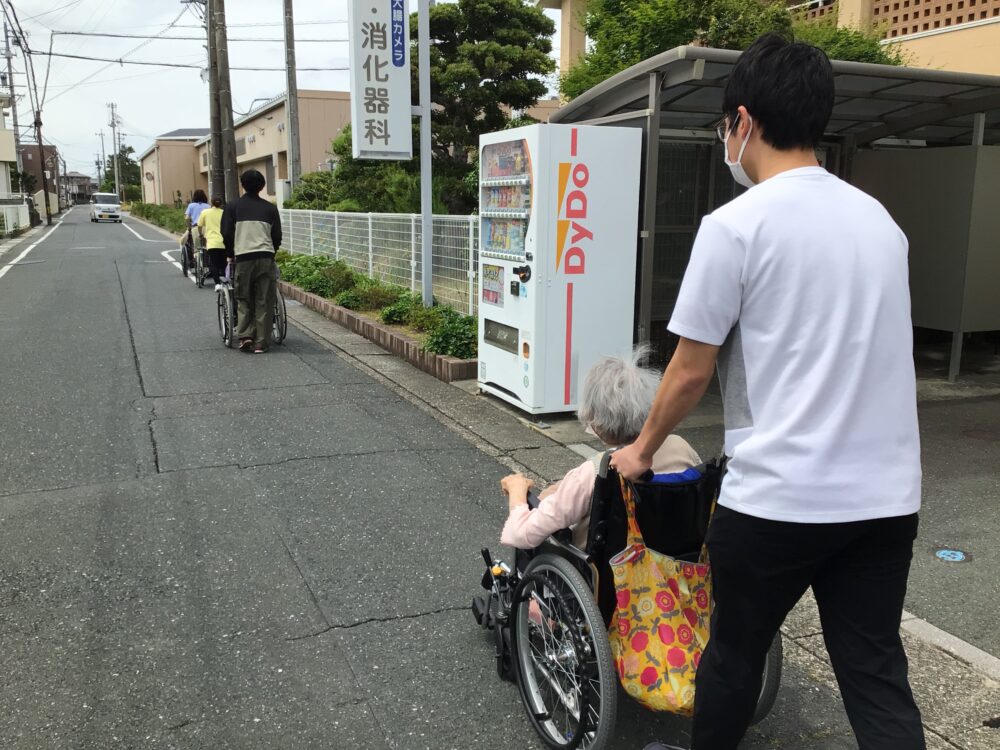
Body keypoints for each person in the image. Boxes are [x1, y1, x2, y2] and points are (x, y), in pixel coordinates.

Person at [613, 34, 926, 750]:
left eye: (726, 126)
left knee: (733, 655)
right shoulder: (881, 224)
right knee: (875, 676)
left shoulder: (736, 226)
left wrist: (641, 449)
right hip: (884, 501)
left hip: (779, 500)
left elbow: (690, 371)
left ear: (743, 121)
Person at [500, 348, 700, 551]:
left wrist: (517, 489)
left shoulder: (595, 472)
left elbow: (521, 534)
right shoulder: (681, 447)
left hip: (612, 573)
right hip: (676, 562)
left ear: (596, 423)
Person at [221, 169, 282, 354]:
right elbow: (277, 235)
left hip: (244, 258)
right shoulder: (270, 208)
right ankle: (261, 342)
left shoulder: (232, 207)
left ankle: (245, 335)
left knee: (244, 297)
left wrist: (231, 253)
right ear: (262, 186)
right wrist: (272, 252)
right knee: (264, 299)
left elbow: (226, 233)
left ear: (242, 185)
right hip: (265, 257)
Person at [196, 196, 227, 290]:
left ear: (211, 203)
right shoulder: (224, 213)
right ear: (221, 204)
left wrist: (201, 234)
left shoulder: (205, 212)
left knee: (214, 263)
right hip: (224, 242)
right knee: (224, 263)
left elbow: (199, 225)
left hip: (212, 242)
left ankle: (217, 284)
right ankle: (225, 281)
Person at [182, 189, 210, 277]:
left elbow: (187, 218)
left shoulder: (191, 205)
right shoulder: (208, 206)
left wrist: (188, 227)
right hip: (207, 228)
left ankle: (197, 261)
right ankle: (207, 263)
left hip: (196, 227)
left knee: (197, 247)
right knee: (207, 246)